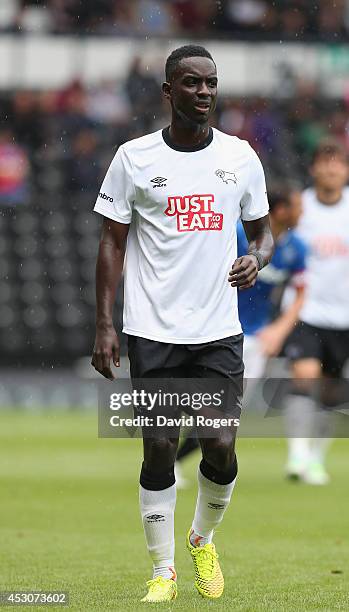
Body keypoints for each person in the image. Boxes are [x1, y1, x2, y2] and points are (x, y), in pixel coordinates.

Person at [91, 45, 274, 603]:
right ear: (169, 92)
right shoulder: (134, 158)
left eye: (211, 83)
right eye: (191, 84)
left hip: (218, 328)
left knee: (219, 444)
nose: (204, 92)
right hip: (153, 328)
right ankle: (164, 571)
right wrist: (105, 323)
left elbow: (265, 234)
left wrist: (257, 258)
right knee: (161, 446)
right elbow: (111, 243)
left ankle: (202, 538)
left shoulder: (241, 158)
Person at [175, 189, 306, 488]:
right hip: (218, 331)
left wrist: (278, 330)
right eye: (298, 206)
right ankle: (172, 461)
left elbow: (301, 293)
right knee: (213, 409)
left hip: (257, 339)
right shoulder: (235, 234)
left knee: (226, 414)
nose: (303, 213)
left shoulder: (296, 247)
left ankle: (175, 462)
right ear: (281, 209)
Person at [284, 139, 349, 485]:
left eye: (337, 163)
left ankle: (315, 459)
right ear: (313, 169)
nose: (330, 169)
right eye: (324, 163)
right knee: (303, 377)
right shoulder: (301, 208)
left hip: (344, 317)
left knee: (333, 392)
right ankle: (296, 454)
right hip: (305, 311)